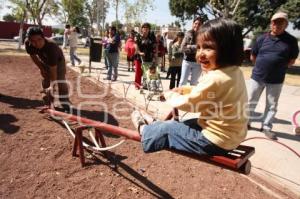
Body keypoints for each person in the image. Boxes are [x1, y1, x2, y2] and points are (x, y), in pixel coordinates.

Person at [131, 18, 248, 156]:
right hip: (232, 135)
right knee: (185, 124)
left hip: (215, 141)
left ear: (227, 49)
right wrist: (183, 90)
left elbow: (190, 104)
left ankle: (144, 129)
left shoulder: (215, 78)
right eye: (199, 47)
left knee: (169, 129)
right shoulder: (234, 72)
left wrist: (170, 95)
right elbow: (207, 92)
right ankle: (155, 124)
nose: (200, 54)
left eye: (208, 47)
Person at [248, 11, 299, 140]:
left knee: (271, 105)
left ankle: (266, 127)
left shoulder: (291, 41)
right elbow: (253, 56)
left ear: (286, 24)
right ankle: (246, 123)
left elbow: (292, 60)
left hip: (276, 80)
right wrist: (262, 66)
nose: (277, 25)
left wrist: (277, 67)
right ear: (271, 23)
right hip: (257, 77)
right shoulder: (261, 38)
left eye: (281, 22)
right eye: (275, 22)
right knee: (250, 102)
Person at [24, 27, 71, 111]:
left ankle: (65, 103)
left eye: (39, 40)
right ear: (29, 40)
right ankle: (48, 102)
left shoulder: (51, 47)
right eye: (33, 41)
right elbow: (33, 56)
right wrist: (41, 68)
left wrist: (52, 85)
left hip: (58, 62)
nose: (37, 43)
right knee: (45, 80)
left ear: (43, 37)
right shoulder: (28, 43)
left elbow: (53, 70)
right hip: (44, 61)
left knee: (60, 81)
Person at [179, 17, 202, 86]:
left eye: (199, 24)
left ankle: (192, 97)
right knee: (182, 82)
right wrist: (195, 48)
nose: (197, 25)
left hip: (198, 62)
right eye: (195, 23)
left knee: (194, 83)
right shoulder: (188, 33)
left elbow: (201, 47)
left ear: (202, 25)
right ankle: (179, 96)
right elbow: (182, 48)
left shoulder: (203, 35)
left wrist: (190, 46)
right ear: (193, 24)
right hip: (187, 61)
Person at [134, 23, 157, 89]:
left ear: (149, 29)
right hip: (139, 56)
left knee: (147, 71)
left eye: (147, 28)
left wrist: (155, 54)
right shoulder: (138, 36)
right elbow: (135, 45)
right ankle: (137, 85)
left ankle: (145, 84)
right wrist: (139, 52)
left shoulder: (152, 36)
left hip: (149, 56)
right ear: (142, 29)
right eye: (144, 28)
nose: (145, 29)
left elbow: (155, 45)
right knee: (138, 71)